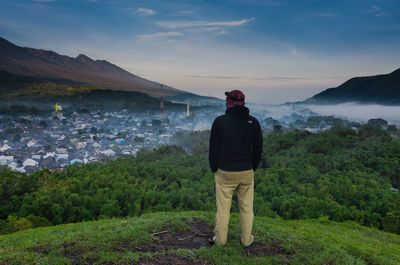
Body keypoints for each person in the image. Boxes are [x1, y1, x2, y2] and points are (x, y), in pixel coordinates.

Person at [209, 90, 263, 247]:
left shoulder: (219, 122)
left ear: (230, 102)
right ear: (243, 103)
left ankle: (220, 241)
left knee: (223, 209)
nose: (226, 101)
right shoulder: (254, 122)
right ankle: (246, 240)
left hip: (225, 172)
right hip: (246, 171)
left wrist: (214, 168)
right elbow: (258, 149)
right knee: (247, 208)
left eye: (227, 99)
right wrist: (252, 166)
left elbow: (213, 149)